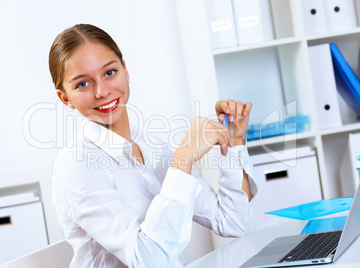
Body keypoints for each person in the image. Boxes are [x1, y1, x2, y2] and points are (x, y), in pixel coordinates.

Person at [49, 24, 258, 268]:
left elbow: (232, 221)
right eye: (82, 84)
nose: (102, 91)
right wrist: (183, 159)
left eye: (109, 72)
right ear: (65, 98)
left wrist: (233, 141)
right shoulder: (76, 166)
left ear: (126, 70)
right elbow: (148, 262)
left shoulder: (151, 146)